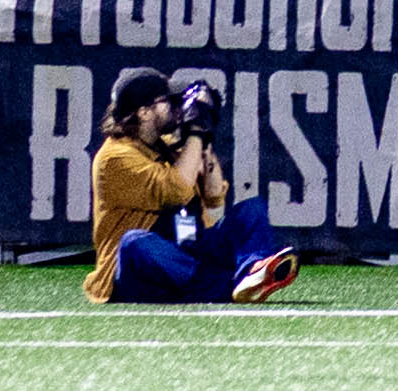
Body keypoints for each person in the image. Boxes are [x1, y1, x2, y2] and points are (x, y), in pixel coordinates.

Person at [81, 68, 298, 305]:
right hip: (137, 274)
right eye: (166, 101)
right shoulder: (115, 157)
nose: (176, 106)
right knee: (135, 243)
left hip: (186, 251)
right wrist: (195, 131)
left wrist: (203, 137)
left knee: (251, 210)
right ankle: (233, 283)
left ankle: (252, 271)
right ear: (144, 112)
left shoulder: (164, 146)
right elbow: (176, 191)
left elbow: (214, 195)